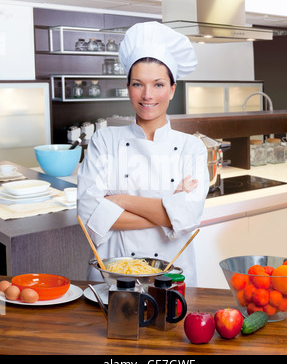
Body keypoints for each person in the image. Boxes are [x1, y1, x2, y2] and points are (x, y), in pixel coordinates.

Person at [77, 21, 209, 286]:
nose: (148, 95)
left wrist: (121, 200)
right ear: (128, 87)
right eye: (138, 84)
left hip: (171, 277)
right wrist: (168, 213)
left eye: (158, 85)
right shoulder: (104, 140)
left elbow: (188, 218)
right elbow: (89, 215)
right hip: (113, 277)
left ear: (172, 89)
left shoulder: (191, 147)